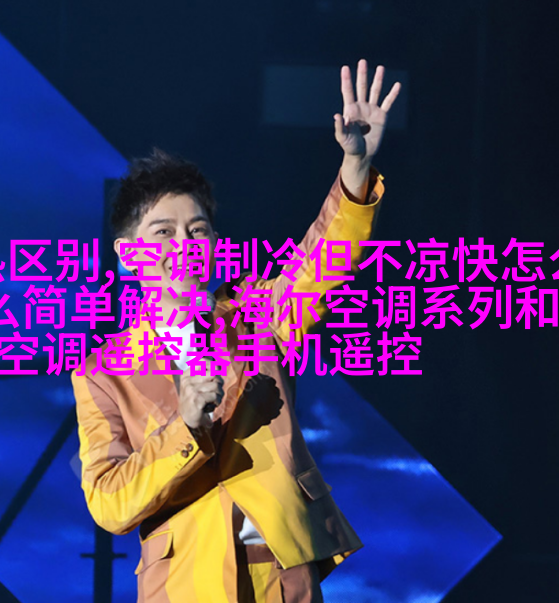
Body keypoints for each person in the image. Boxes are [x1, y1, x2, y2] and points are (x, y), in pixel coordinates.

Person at [71, 59, 400, 602]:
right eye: (164, 232)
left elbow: (324, 261)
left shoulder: (256, 312)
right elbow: (109, 502)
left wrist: (355, 167)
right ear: (129, 254)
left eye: (197, 229)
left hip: (280, 573)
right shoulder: (104, 372)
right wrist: (185, 427)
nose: (184, 244)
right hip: (185, 583)